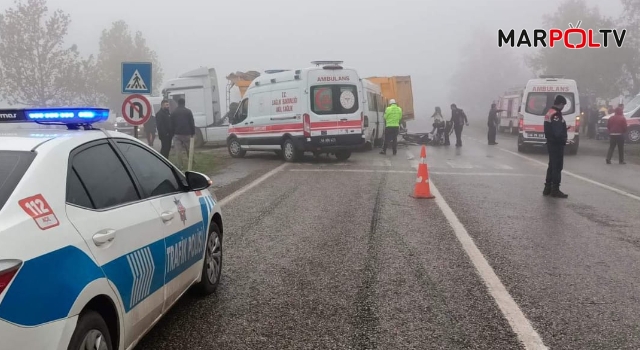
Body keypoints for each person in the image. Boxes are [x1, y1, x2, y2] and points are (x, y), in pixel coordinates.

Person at [543, 95, 569, 198]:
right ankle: (555, 189)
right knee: (557, 167)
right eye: (563, 105)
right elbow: (557, 132)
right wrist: (563, 138)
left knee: (551, 166)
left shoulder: (549, 112)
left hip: (550, 143)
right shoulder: (556, 115)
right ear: (561, 104)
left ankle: (547, 188)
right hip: (556, 144)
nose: (563, 107)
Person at [171, 98, 196, 169]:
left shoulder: (174, 112)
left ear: (178, 103)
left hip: (177, 134)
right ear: (184, 103)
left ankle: (180, 165)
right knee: (189, 150)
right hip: (187, 133)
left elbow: (171, 124)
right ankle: (192, 162)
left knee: (178, 151)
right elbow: (191, 122)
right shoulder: (188, 111)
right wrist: (192, 132)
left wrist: (173, 133)